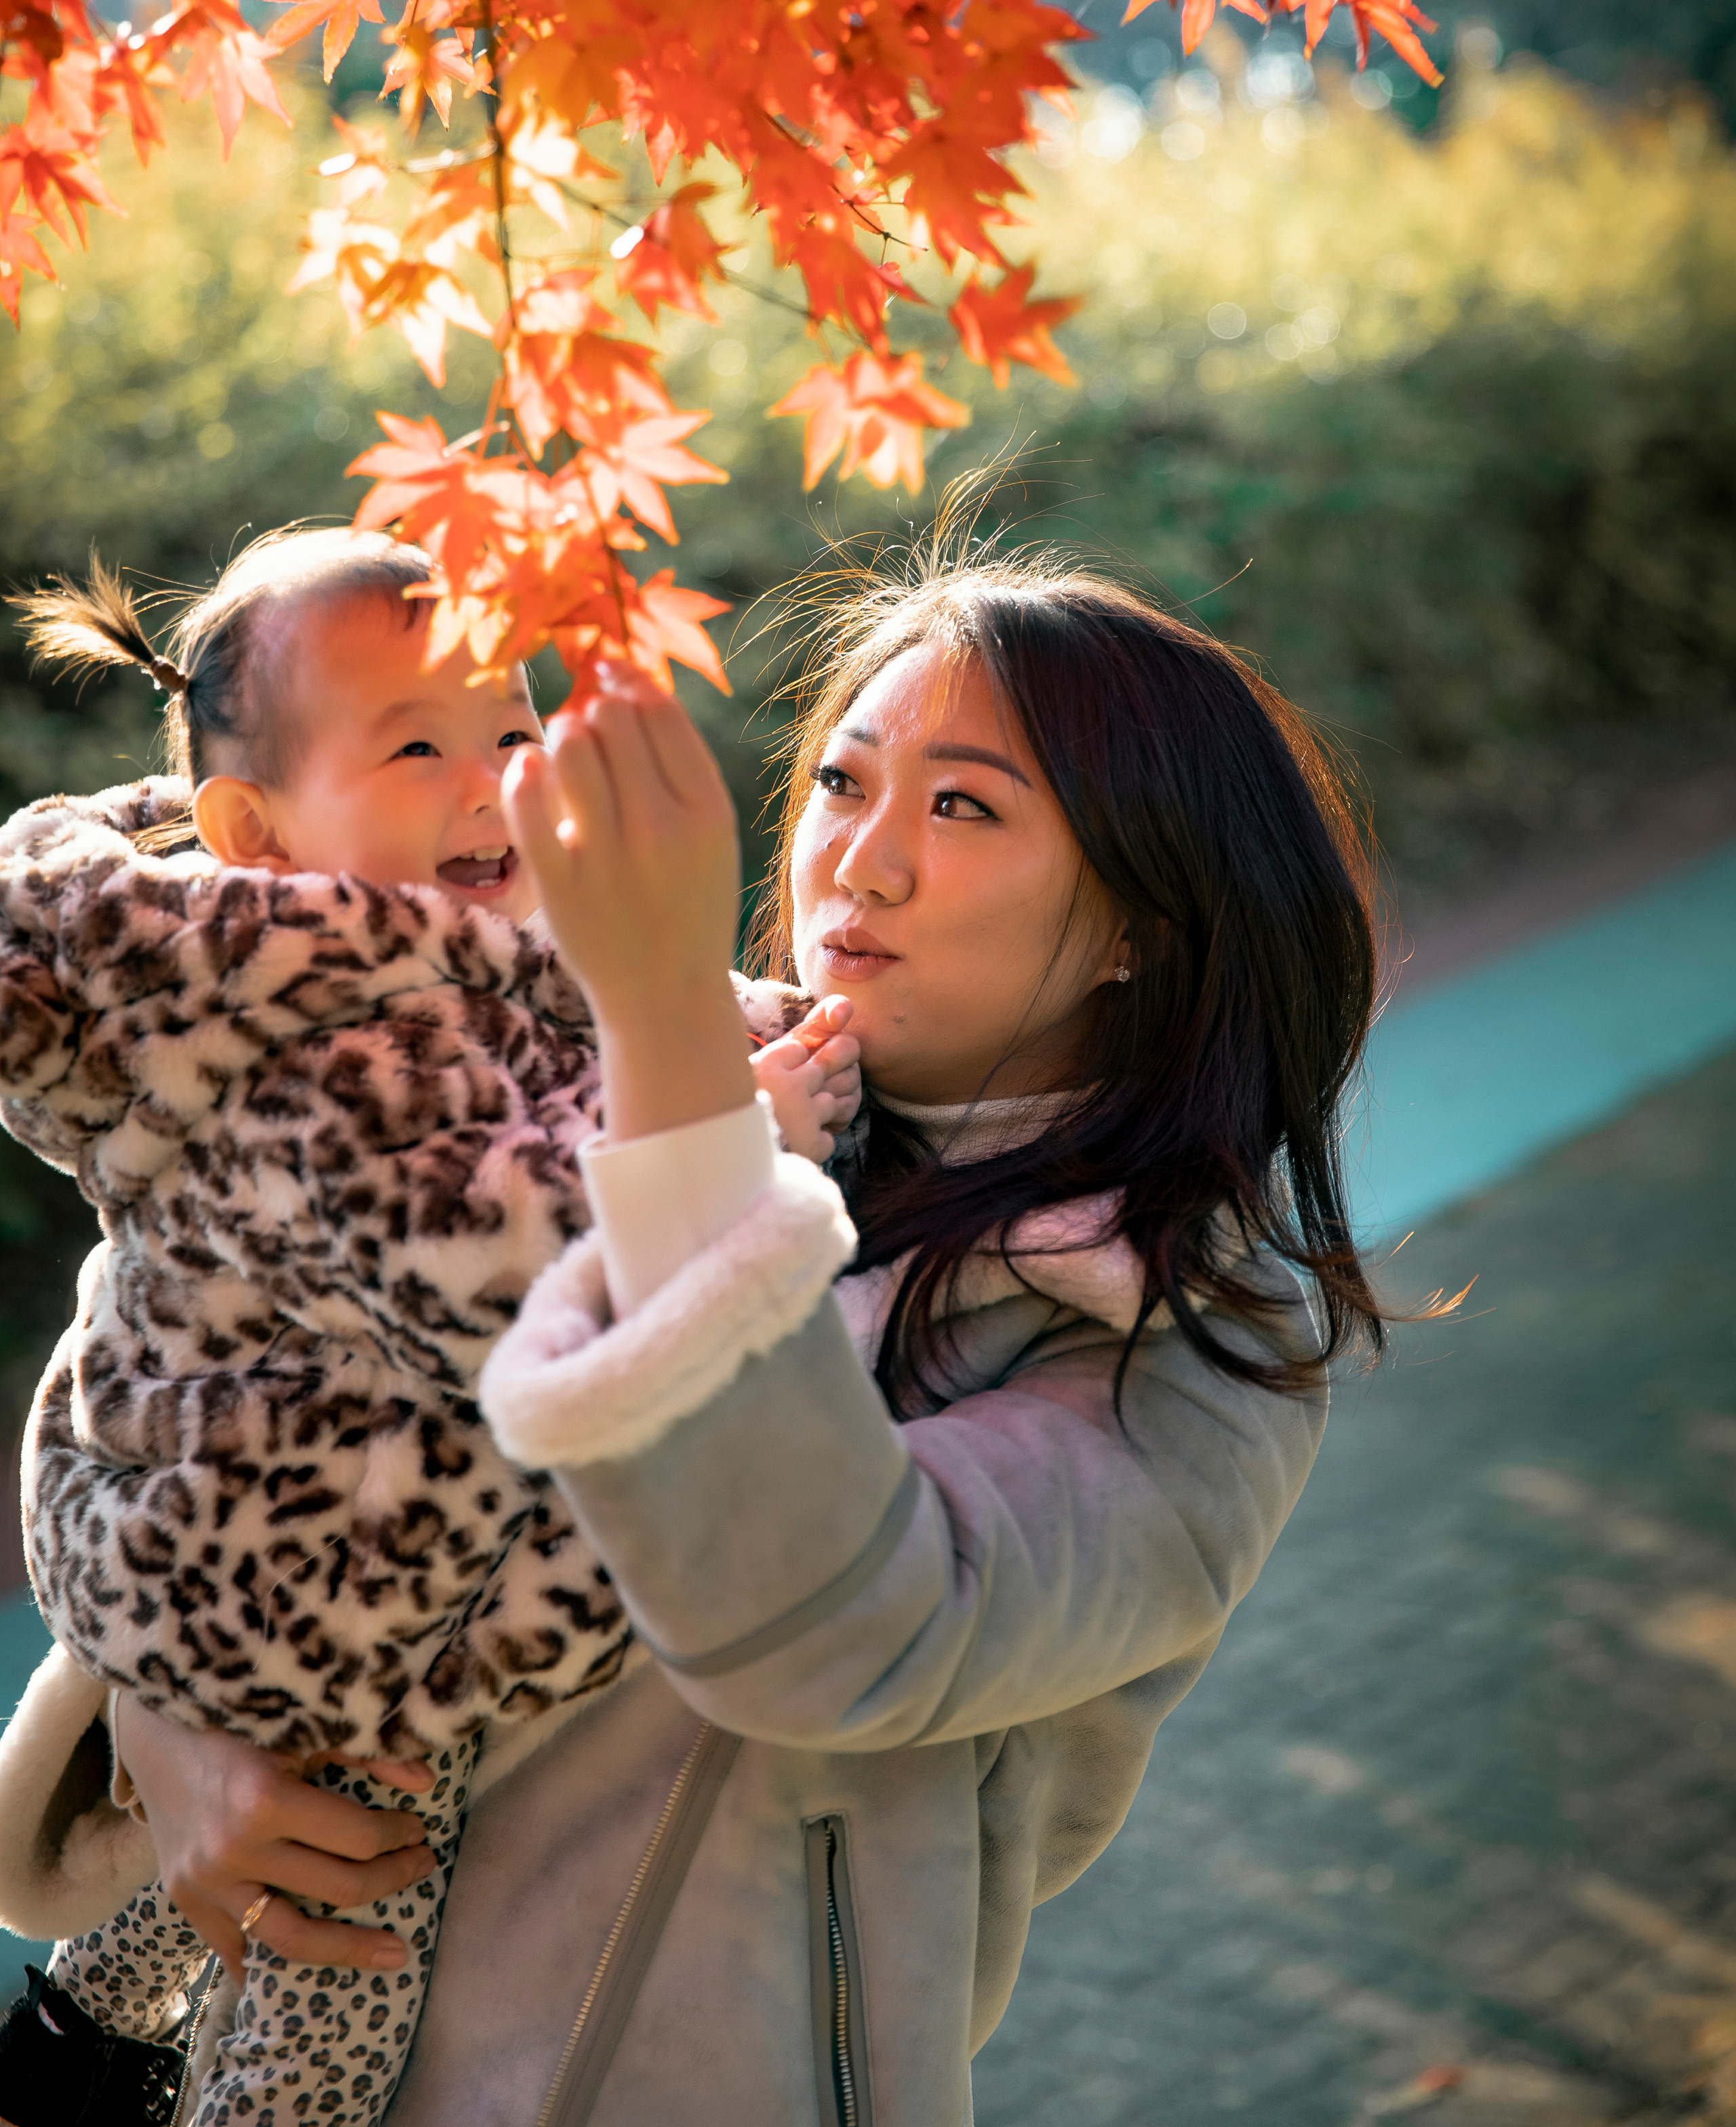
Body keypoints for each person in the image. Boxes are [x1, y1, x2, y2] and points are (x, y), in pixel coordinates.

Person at [1, 548, 1395, 2127]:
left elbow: (843, 1630)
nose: (856, 865)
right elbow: (217, 1382)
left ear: (1145, 916)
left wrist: (667, 1060)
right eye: (842, 782)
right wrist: (164, 1715)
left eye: (961, 807)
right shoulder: (641, 1068)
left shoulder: (1177, 1336)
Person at [0, 528, 858, 2127]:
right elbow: (491, 1264)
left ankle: (70, 2043)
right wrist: (745, 1128)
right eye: (418, 747)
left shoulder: (398, 959)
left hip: (305, 1574)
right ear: (252, 832)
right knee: (333, 1980)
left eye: (514, 735)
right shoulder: (325, 1035)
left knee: (193, 1915)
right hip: (320, 1604)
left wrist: (721, 1025)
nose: (494, 787)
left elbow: (575, 1036)